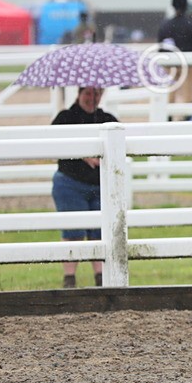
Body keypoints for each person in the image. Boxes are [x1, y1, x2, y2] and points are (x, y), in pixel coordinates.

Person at [51, 87, 118, 288]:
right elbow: (53, 142)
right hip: (71, 182)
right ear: (79, 94)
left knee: (100, 232)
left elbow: (120, 147)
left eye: (96, 93)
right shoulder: (66, 117)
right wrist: (82, 153)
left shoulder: (107, 119)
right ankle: (69, 278)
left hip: (99, 185)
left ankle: (100, 277)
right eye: (88, 93)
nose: (92, 98)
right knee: (74, 232)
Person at [157, 0, 192, 116]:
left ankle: (169, 119)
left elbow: (160, 47)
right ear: (186, 6)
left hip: (170, 65)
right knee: (188, 96)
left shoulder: (165, 25)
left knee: (169, 95)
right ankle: (186, 119)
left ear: (173, 6)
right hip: (188, 65)